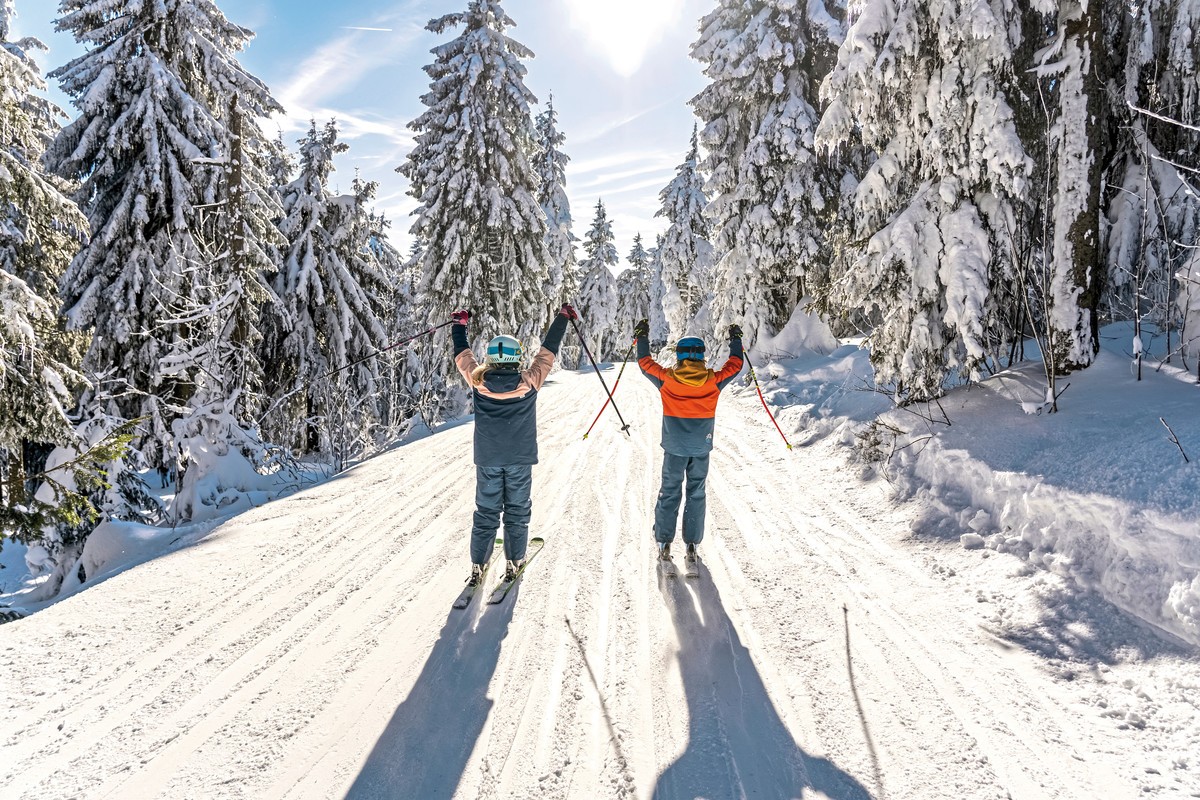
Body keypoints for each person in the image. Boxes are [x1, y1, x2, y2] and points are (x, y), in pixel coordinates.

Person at [451, 304, 577, 585]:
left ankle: (477, 566)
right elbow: (548, 351)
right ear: (516, 357)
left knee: (486, 511)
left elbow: (462, 355)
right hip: (520, 460)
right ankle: (514, 560)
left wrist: (459, 324)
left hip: (488, 459)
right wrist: (562, 318)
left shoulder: (478, 381)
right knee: (517, 511)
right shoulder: (530, 382)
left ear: (491, 358)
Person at [634, 319, 744, 566]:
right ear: (702, 357)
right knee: (696, 492)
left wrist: (641, 335)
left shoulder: (666, 379)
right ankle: (692, 545)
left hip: (674, 448)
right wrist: (736, 339)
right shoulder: (713, 380)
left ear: (680, 356)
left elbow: (644, 364)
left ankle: (664, 543)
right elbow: (735, 365)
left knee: (670, 491)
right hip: (701, 448)